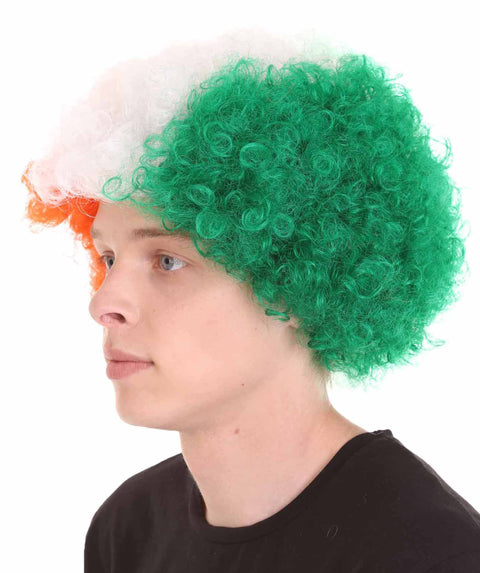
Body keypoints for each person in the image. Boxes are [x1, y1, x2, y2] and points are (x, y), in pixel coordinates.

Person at [21, 28, 479, 573]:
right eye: (110, 258)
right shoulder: (128, 529)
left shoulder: (430, 552)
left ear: (299, 280)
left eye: (167, 261)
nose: (103, 304)